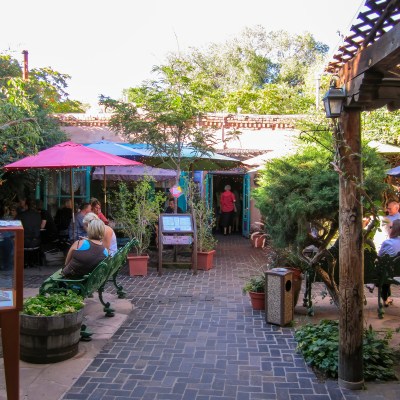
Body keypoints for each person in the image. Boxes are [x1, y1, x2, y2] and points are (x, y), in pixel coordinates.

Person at [378, 219, 400, 306]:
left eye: (391, 227)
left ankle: (385, 298)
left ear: (393, 229)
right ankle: (386, 297)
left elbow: (380, 257)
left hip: (389, 274)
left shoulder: (387, 242)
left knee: (384, 269)